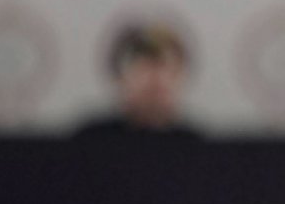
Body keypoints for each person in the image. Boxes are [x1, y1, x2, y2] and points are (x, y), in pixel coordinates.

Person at [73, 22, 203, 139]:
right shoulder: (89, 145)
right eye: (144, 67)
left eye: (164, 67)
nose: (155, 78)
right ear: (120, 77)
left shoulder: (203, 154)